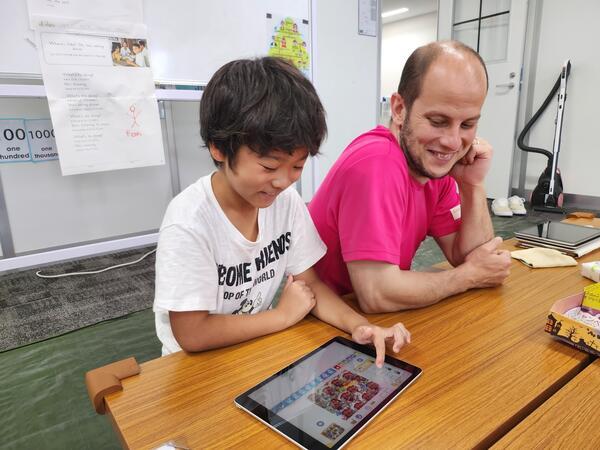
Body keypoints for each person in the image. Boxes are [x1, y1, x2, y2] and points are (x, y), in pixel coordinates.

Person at [153, 57, 410, 366]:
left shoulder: (284, 202)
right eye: (269, 166)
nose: (283, 181)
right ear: (218, 148)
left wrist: (359, 326)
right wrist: (282, 316)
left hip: (250, 348)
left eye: (297, 166)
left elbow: (311, 284)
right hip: (191, 368)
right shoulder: (189, 222)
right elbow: (193, 334)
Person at [308, 40, 512, 313]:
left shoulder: (433, 167)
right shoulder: (377, 163)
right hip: (323, 321)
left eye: (467, 124)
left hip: (372, 321)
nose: (453, 142)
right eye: (438, 121)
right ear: (399, 109)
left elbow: (472, 258)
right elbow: (376, 294)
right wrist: (468, 276)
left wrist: (471, 184)